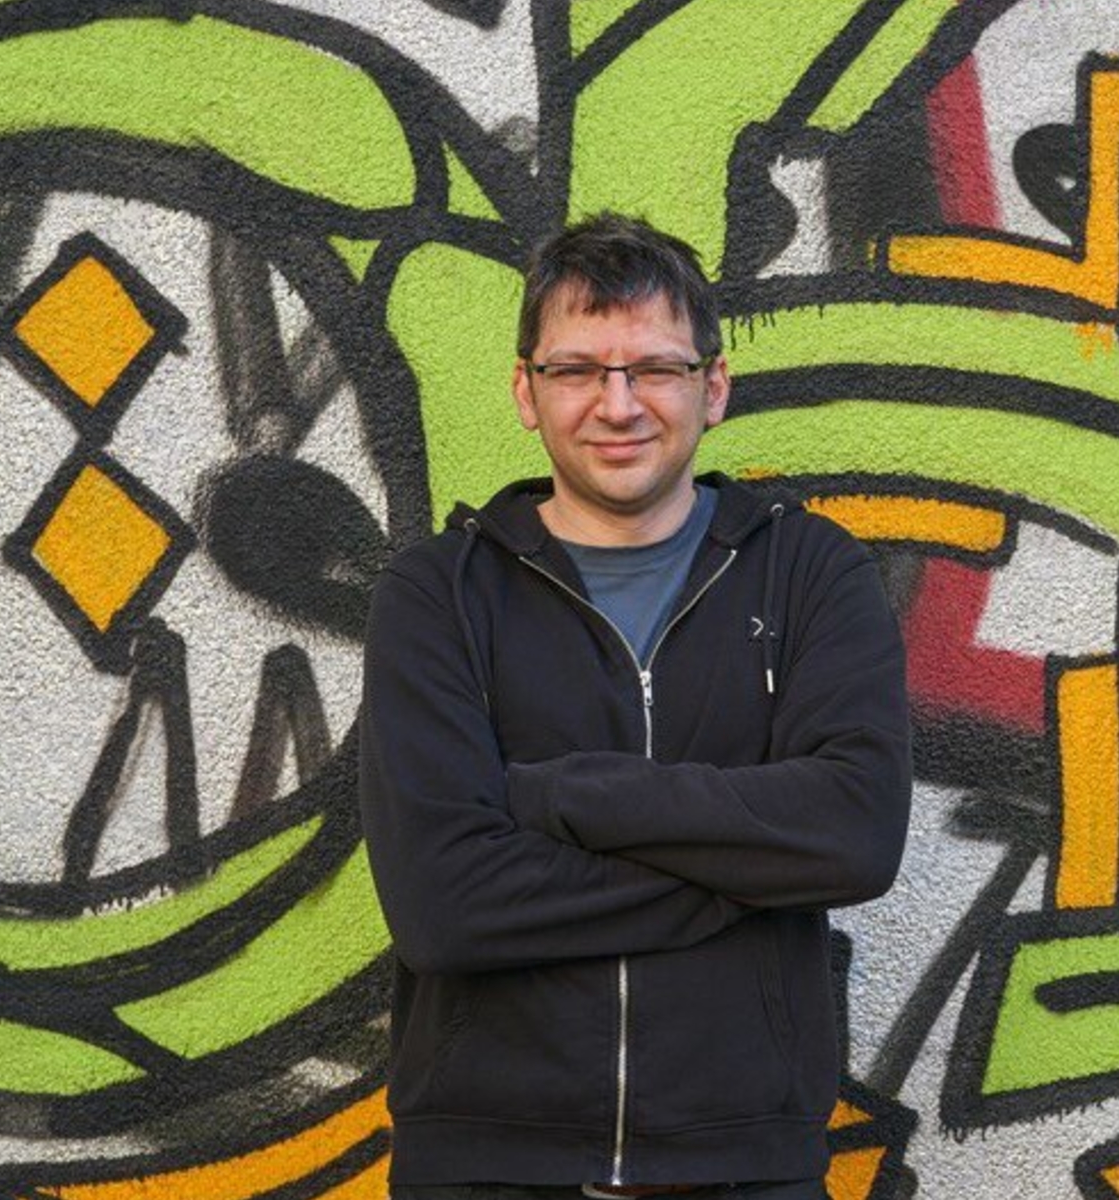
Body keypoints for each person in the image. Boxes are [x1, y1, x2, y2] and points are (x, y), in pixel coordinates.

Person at [358, 212, 911, 1200]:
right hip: (487, 1170)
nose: (618, 405)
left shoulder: (809, 573)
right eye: (577, 370)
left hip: (745, 1171)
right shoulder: (439, 594)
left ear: (714, 386)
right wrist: (749, 875)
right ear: (526, 392)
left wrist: (563, 798)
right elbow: (443, 907)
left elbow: (855, 835)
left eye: (655, 368)